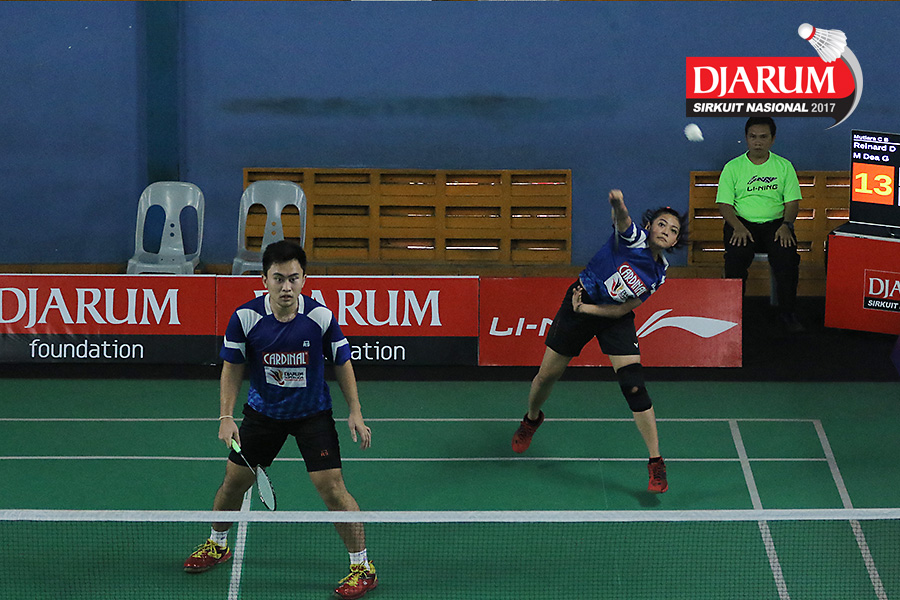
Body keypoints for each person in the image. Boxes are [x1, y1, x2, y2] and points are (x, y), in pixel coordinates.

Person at [183, 240, 377, 600]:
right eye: (278, 278)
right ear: (264, 280)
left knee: (333, 490)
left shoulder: (319, 318)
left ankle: (362, 566)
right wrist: (226, 415)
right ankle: (217, 543)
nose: (286, 287)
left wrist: (355, 410)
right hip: (263, 415)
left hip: (312, 415)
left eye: (293, 278)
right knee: (233, 484)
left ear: (304, 279)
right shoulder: (245, 318)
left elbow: (342, 360)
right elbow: (232, 367)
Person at [511, 189, 686, 494]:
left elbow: (621, 310)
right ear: (649, 226)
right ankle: (531, 419)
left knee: (634, 385)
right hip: (581, 297)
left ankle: (655, 461)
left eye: (673, 230)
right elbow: (623, 220)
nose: (666, 231)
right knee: (546, 376)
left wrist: (588, 311)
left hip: (607, 314)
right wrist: (618, 204)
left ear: (674, 242)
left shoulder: (659, 273)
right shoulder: (633, 239)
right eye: (662, 224)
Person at [716, 116, 804, 333]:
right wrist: (737, 226)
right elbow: (724, 205)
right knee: (735, 258)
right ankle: (733, 313)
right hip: (741, 225)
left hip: (776, 225)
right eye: (753, 137)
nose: (757, 142)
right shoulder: (733, 167)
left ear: (772, 139)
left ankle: (787, 313)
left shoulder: (784, 166)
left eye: (763, 137)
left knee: (787, 258)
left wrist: (786, 224)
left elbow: (792, 203)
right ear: (746, 138)